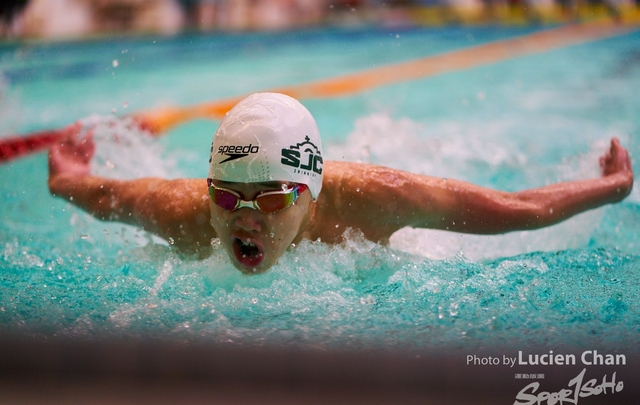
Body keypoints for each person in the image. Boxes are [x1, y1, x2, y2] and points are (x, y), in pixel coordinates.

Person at [48, 93, 634, 274]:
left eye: (272, 197)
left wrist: (611, 188)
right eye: (228, 196)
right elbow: (102, 196)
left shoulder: (377, 200)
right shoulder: (185, 212)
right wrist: (67, 175)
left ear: (310, 192)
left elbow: (517, 207)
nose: (243, 219)